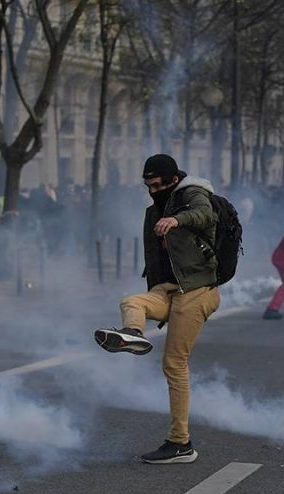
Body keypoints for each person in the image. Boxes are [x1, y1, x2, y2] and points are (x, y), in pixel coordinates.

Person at [94, 154, 220, 464]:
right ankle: (133, 333)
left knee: (174, 364)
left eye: (156, 185)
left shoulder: (193, 193)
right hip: (170, 289)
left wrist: (177, 219)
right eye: (147, 185)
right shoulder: (153, 211)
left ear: (173, 180)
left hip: (197, 290)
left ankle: (181, 443)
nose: (151, 191)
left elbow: (205, 215)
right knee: (131, 302)